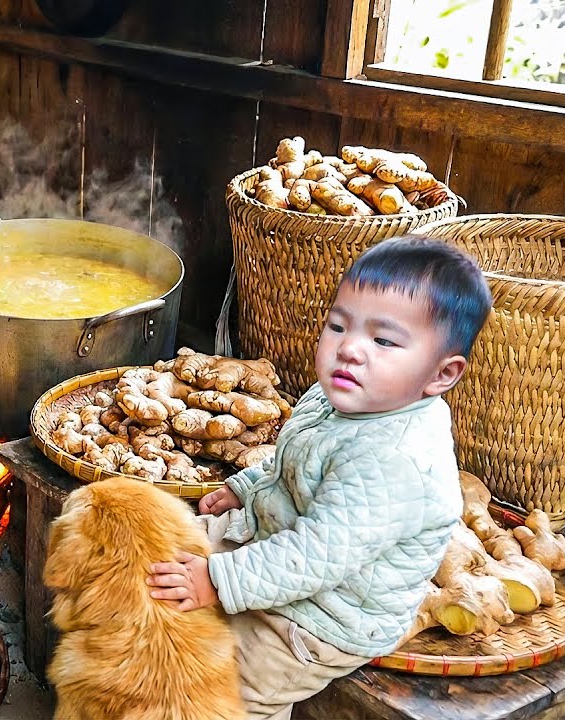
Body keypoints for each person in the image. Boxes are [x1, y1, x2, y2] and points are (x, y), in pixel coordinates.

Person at [146, 236, 494, 720]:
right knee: (158, 553)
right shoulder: (341, 397)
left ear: (441, 375)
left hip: (324, 613)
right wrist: (244, 487)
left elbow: (315, 556)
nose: (349, 348)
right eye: (338, 326)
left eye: (384, 340)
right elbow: (295, 459)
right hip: (276, 537)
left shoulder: (394, 460)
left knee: (231, 685)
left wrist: (218, 580)